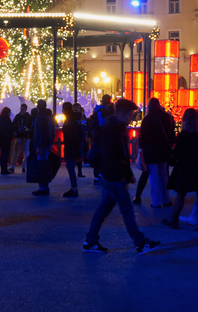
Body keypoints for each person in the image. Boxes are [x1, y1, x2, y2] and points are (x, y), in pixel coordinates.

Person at [83, 99, 160, 254]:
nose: (132, 118)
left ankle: (90, 241)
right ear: (123, 114)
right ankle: (139, 242)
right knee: (126, 210)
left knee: (103, 209)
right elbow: (115, 156)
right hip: (114, 178)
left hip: (110, 176)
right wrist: (121, 175)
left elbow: (118, 156)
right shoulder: (113, 131)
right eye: (130, 115)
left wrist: (126, 173)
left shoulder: (112, 129)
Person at [162, 108, 198, 232]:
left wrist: (171, 155)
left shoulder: (183, 136)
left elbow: (178, 153)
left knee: (181, 194)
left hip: (186, 168)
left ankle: (174, 220)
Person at [139, 98, 174, 208]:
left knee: (153, 175)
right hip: (163, 150)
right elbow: (171, 133)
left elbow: (142, 136)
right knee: (164, 174)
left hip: (151, 150)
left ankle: (156, 201)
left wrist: (142, 149)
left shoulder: (147, 119)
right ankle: (166, 199)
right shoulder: (166, 117)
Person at [29, 99, 56, 196]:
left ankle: (43, 188)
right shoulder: (49, 116)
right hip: (47, 144)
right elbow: (51, 130)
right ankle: (45, 187)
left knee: (42, 166)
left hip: (42, 145)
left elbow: (42, 132)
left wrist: (40, 146)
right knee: (45, 166)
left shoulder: (40, 117)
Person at [60, 102, 83, 197]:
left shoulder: (70, 120)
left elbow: (71, 135)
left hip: (71, 147)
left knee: (70, 167)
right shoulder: (74, 119)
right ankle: (74, 188)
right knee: (71, 167)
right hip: (74, 146)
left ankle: (74, 188)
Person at [0, 107, 15, 175]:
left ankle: (3, 169)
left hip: (0, 139)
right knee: (6, 154)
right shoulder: (8, 121)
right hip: (6, 139)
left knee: (2, 154)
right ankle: (4, 169)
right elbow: (10, 129)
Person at [10, 103, 32, 171]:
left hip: (23, 137)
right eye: (21, 109)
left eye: (22, 109)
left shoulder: (19, 116)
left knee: (23, 152)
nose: (21, 110)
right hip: (23, 136)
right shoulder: (26, 117)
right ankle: (21, 166)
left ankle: (19, 166)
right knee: (21, 152)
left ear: (25, 109)